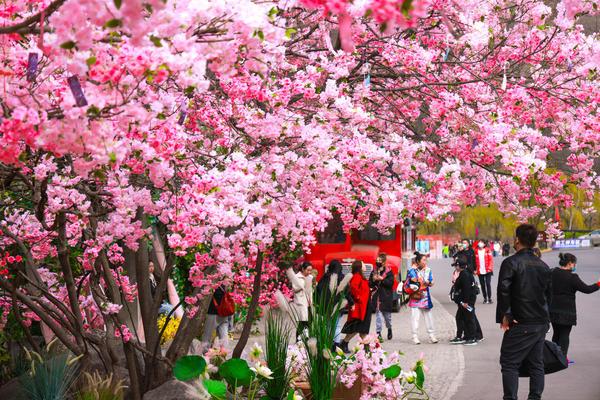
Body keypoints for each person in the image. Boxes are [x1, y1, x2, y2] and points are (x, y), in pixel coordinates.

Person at [496, 224, 552, 400]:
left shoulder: (511, 262)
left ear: (517, 239)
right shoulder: (543, 265)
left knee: (509, 362)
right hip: (540, 322)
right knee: (536, 363)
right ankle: (535, 397)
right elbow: (548, 296)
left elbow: (503, 291)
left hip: (521, 321)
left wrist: (506, 316)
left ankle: (510, 398)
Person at [549, 253, 600, 357]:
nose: (575, 266)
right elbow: (587, 289)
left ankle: (553, 357)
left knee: (556, 333)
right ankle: (562, 358)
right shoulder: (573, 278)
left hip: (553, 310)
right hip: (567, 312)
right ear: (570, 263)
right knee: (564, 335)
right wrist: (598, 284)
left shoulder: (553, 272)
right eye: (574, 263)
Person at [340, 260, 372, 353]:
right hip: (360, 306)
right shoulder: (357, 276)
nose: (365, 265)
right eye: (363, 264)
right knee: (358, 327)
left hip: (364, 305)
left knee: (361, 328)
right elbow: (353, 289)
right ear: (359, 266)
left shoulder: (360, 276)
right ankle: (365, 347)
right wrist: (359, 297)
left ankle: (366, 347)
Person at [407, 251, 438, 345]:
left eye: (426, 260)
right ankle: (415, 336)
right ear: (418, 261)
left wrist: (429, 282)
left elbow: (432, 283)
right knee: (415, 318)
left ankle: (432, 335)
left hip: (425, 297)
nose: (425, 261)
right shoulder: (412, 270)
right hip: (415, 297)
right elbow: (412, 282)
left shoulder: (428, 270)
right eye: (423, 260)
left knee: (429, 317)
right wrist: (421, 280)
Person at [316, 259, 344, 348]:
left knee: (328, 325)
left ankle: (328, 343)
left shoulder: (325, 277)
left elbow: (317, 291)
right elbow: (347, 291)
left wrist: (317, 303)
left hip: (326, 306)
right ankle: (336, 344)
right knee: (337, 325)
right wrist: (351, 303)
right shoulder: (341, 277)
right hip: (337, 305)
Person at [452, 255, 479, 345]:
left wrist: (466, 302)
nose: (455, 267)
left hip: (467, 301)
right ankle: (464, 336)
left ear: (459, 266)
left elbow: (467, 289)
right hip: (464, 301)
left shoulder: (465, 275)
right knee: (460, 317)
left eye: (456, 265)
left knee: (469, 318)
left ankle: (472, 337)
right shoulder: (465, 273)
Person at [370, 253, 394, 341]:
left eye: (379, 261)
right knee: (378, 316)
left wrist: (382, 279)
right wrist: (373, 280)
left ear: (384, 262)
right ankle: (378, 333)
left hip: (386, 297)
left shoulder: (389, 272)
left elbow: (390, 283)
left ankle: (389, 328)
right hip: (378, 297)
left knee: (387, 317)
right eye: (377, 260)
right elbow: (370, 283)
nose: (377, 262)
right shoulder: (374, 271)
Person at [286, 262, 314, 341]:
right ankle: (299, 340)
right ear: (302, 269)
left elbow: (311, 290)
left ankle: (305, 339)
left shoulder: (310, 277)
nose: (309, 272)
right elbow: (295, 289)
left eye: (310, 270)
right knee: (302, 323)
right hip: (301, 303)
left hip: (308, 303)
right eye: (308, 270)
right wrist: (303, 285)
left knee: (308, 322)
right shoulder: (297, 277)